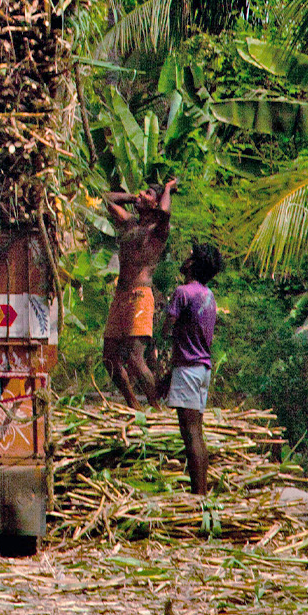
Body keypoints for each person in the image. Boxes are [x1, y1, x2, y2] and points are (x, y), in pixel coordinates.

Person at [100, 179, 177, 408]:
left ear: (155, 203)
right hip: (121, 296)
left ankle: (155, 408)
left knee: (135, 358)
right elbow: (105, 198)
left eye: (148, 193)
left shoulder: (158, 230)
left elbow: (164, 212)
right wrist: (134, 197)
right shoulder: (130, 224)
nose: (142, 194)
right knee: (110, 358)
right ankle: (134, 405)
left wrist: (168, 188)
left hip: (140, 296)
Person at [160, 242, 222, 494]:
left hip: (187, 369)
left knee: (190, 435)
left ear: (192, 264)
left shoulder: (183, 292)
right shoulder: (209, 296)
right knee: (198, 431)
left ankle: (198, 496)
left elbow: (167, 329)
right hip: (203, 370)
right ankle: (201, 491)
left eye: (190, 256)